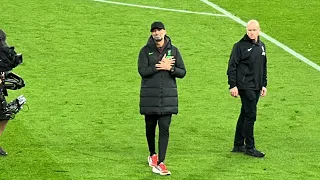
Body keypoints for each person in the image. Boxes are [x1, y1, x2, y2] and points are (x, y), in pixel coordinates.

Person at [138, 21, 186, 175]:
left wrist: (170, 68)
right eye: (154, 31)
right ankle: (152, 154)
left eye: (158, 30)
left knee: (164, 129)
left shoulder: (175, 51)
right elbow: (142, 71)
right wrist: (158, 66)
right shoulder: (145, 51)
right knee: (150, 128)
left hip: (167, 98)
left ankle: (161, 162)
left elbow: (182, 72)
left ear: (164, 32)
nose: (156, 33)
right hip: (150, 97)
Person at [227, 20, 267, 158]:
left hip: (256, 86)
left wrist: (264, 84)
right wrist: (232, 85)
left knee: (244, 113)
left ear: (259, 31)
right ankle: (250, 147)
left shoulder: (262, 46)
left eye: (254, 30)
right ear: (246, 30)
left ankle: (238, 144)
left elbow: (263, 66)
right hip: (245, 86)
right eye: (249, 30)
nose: (251, 32)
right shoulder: (239, 46)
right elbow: (232, 67)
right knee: (251, 115)